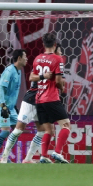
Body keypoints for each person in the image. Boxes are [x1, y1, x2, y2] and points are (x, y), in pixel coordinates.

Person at [28, 32, 71, 164]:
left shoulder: (37, 58)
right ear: (55, 44)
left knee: (49, 130)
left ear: (43, 44)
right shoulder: (58, 59)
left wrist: (43, 77)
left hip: (39, 99)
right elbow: (58, 80)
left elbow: (31, 78)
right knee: (66, 125)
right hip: (51, 98)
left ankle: (44, 156)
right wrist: (61, 87)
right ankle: (57, 152)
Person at [0, 49, 27, 163]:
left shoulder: (18, 71)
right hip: (1, 105)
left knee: (17, 130)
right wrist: (3, 106)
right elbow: (1, 89)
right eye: (25, 56)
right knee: (5, 131)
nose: (27, 59)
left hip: (10, 107)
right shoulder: (9, 71)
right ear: (19, 58)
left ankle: (4, 156)